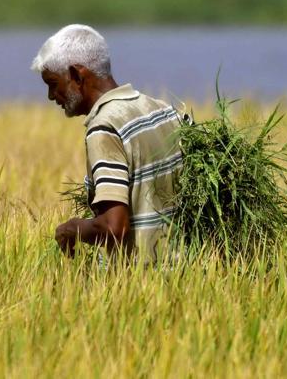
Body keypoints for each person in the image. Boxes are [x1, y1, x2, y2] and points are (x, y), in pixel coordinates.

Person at [31, 24, 187, 263]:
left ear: (76, 75)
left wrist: (70, 230)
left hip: (143, 282)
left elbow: (114, 228)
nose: (51, 96)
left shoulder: (104, 128)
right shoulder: (162, 109)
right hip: (188, 270)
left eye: (53, 84)